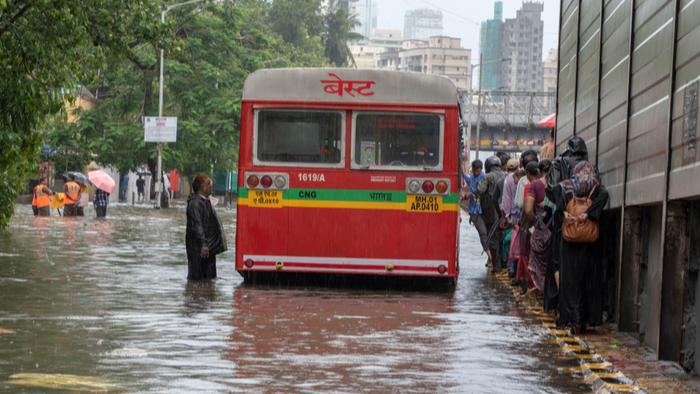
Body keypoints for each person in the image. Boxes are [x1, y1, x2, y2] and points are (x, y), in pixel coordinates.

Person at [553, 161, 609, 334]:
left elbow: (554, 190)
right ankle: (586, 319)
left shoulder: (569, 186)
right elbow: (605, 195)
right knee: (589, 280)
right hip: (590, 244)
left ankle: (574, 319)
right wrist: (590, 214)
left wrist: (564, 212)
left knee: (570, 281)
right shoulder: (595, 187)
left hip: (570, 243)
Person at [543, 136, 590, 313]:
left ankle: (564, 305)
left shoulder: (558, 163)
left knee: (558, 263)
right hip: (585, 222)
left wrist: (563, 210)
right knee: (580, 265)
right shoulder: (588, 167)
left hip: (563, 222)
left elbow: (552, 189)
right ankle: (578, 308)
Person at [186, 175, 226, 280]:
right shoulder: (195, 204)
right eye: (209, 183)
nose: (211, 186)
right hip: (200, 250)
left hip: (209, 249)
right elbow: (197, 224)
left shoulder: (204, 201)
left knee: (210, 279)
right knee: (198, 278)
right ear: (202, 188)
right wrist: (203, 244)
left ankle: (207, 293)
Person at [524, 159, 552, 293]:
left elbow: (528, 209)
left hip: (541, 230)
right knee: (553, 265)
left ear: (539, 171)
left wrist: (536, 220)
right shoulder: (558, 183)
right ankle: (553, 298)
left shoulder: (535, 184)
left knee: (538, 265)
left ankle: (544, 293)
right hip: (555, 229)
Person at [475, 156, 506, 271]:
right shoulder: (506, 176)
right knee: (503, 238)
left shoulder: (487, 177)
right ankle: (505, 265)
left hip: (491, 214)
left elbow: (479, 191)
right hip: (504, 214)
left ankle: (496, 266)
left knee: (492, 240)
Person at [461, 160, 490, 264]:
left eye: (478, 171)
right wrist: (463, 174)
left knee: (484, 233)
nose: (476, 173)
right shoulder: (472, 176)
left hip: (481, 210)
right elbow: (470, 182)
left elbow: (476, 193)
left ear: (481, 169)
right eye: (474, 171)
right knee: (483, 233)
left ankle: (490, 257)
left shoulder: (484, 177)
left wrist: (465, 196)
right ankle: (490, 256)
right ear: (472, 169)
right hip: (474, 211)